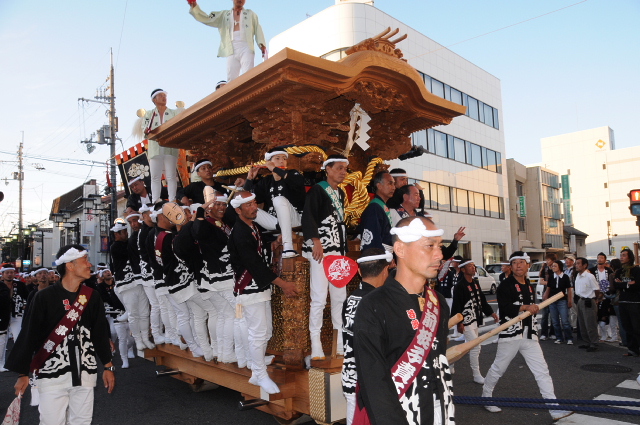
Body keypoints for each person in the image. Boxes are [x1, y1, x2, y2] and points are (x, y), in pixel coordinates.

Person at [353, 217, 453, 424]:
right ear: (400, 249)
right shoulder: (373, 306)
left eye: (440, 246)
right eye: (430, 246)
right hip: (400, 411)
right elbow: (373, 380)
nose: (439, 255)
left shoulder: (438, 301)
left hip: (441, 408)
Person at [7, 244, 115, 425]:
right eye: (85, 260)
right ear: (70, 265)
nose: (90, 265)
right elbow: (29, 334)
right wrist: (23, 373)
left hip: (85, 372)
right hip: (51, 374)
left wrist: (108, 366)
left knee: (82, 421)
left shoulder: (92, 296)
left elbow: (99, 333)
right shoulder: (43, 297)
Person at [482, 251, 572, 421]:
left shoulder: (529, 285)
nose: (518, 265)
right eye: (515, 262)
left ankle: (554, 408)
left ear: (528, 265)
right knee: (499, 368)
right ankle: (486, 397)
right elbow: (504, 308)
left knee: (542, 370)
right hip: (510, 334)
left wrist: (531, 308)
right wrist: (524, 307)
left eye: (522, 262)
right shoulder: (505, 285)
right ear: (511, 266)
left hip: (529, 334)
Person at [228, 191, 298, 394]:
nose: (254, 208)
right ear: (238, 210)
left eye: (254, 203)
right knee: (258, 333)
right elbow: (254, 265)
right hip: (249, 287)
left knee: (265, 332)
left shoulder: (251, 226)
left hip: (258, 287)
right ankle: (259, 373)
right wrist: (283, 284)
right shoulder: (240, 233)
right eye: (248, 205)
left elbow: (257, 252)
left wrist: (272, 245)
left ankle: (256, 368)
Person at [302, 155, 349, 359]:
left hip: (338, 252)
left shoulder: (340, 193)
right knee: (319, 298)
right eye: (339, 168)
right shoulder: (318, 190)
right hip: (321, 250)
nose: (343, 172)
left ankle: (339, 344)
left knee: (339, 297)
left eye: (345, 169)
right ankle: (316, 345)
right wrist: (316, 241)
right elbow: (308, 216)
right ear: (327, 169)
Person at [341, 248, 391, 425]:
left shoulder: (351, 298)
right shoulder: (377, 302)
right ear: (385, 270)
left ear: (360, 271)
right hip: (368, 382)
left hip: (350, 375)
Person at [192, 193, 241, 365]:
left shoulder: (224, 223)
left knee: (225, 315)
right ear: (209, 208)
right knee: (238, 314)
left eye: (224, 204)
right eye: (217, 204)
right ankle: (240, 354)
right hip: (221, 278)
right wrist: (201, 209)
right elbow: (197, 232)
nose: (221, 207)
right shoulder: (206, 224)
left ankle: (222, 352)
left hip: (222, 276)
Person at [243, 147, 306, 258]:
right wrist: (249, 179)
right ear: (269, 162)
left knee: (278, 199)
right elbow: (246, 198)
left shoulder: (293, 174)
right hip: (275, 223)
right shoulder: (266, 181)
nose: (282, 161)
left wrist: (275, 169)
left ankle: (288, 247)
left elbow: (298, 182)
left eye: (284, 159)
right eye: (277, 158)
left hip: (294, 221)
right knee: (247, 208)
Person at [188, 0, 267, 82]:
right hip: (231, 48)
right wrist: (194, 5)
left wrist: (262, 46)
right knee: (231, 78)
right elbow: (207, 18)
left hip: (246, 47)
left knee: (248, 74)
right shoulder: (224, 15)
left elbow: (257, 28)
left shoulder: (251, 14)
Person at [451, 259, 499, 384]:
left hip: (476, 318)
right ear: (463, 269)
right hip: (466, 320)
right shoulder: (460, 286)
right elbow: (456, 306)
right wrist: (459, 323)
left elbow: (482, 300)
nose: (473, 268)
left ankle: (450, 361)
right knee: (475, 346)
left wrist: (491, 313)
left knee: (468, 346)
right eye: (470, 266)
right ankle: (476, 375)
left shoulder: (475, 282)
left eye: (473, 266)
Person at [110, 221, 154, 351]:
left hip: (139, 281)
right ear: (117, 234)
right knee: (133, 314)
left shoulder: (129, 243)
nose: (126, 234)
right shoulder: (115, 247)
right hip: (126, 284)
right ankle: (138, 340)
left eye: (126, 231)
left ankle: (145, 338)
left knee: (144, 313)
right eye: (124, 232)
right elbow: (131, 251)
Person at [140, 89, 181, 203]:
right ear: (154, 99)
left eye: (165, 95)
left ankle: (172, 200)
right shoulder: (149, 113)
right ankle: (155, 200)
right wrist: (146, 130)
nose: (164, 97)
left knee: (171, 176)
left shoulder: (173, 112)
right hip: (155, 147)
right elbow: (144, 128)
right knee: (155, 176)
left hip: (170, 146)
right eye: (161, 96)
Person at [137, 204, 166, 345]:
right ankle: (156, 333)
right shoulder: (145, 232)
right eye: (149, 213)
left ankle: (158, 332)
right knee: (157, 305)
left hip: (150, 272)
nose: (152, 215)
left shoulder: (148, 231)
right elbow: (147, 255)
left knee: (158, 305)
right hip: (149, 273)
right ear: (144, 216)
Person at [96, 269, 135, 369]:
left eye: (108, 271)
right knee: (118, 336)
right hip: (114, 314)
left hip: (129, 315)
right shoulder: (103, 287)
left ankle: (129, 349)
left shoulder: (122, 287)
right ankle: (123, 359)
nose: (108, 273)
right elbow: (107, 299)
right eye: (105, 272)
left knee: (131, 339)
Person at [360, 171, 395, 252]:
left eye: (394, 184)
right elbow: (373, 237)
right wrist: (382, 256)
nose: (393, 187)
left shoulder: (381, 206)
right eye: (390, 183)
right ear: (379, 186)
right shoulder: (374, 208)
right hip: (380, 254)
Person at [614, 249, 640, 356]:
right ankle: (631, 349)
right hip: (623, 301)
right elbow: (616, 285)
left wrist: (623, 285)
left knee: (636, 327)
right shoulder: (619, 271)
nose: (621, 257)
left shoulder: (636, 270)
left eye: (624, 255)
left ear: (630, 257)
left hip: (634, 302)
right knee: (626, 326)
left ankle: (637, 348)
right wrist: (628, 284)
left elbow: (637, 285)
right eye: (621, 255)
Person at [544, 260, 573, 345]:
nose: (553, 267)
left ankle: (569, 338)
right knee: (555, 321)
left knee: (565, 321)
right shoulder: (551, 277)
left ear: (560, 267)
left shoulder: (565, 277)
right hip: (552, 300)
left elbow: (569, 289)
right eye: (552, 266)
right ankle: (559, 338)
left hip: (562, 300)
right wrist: (545, 297)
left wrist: (570, 300)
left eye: (555, 266)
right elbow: (548, 288)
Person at [574, 257, 600, 352]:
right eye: (576, 263)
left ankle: (594, 343)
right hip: (580, 299)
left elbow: (596, 289)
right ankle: (587, 342)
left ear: (585, 265)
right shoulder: (578, 276)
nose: (576, 265)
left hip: (588, 300)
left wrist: (594, 298)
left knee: (590, 323)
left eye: (578, 263)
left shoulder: (589, 276)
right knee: (582, 323)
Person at [2, 266, 28, 345]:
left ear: (14, 274)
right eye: (7, 273)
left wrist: (25, 305)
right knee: (2, 340)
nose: (9, 274)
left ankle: (19, 352)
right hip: (2, 315)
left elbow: (27, 297)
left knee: (18, 338)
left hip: (17, 314)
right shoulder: (1, 285)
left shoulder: (20, 285)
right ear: (2, 274)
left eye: (11, 272)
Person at [537, 253, 557, 340]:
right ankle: (544, 333)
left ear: (553, 260)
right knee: (545, 315)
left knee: (554, 315)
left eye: (549, 260)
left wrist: (549, 283)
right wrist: (550, 283)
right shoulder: (545, 269)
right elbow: (541, 281)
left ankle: (553, 332)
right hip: (545, 293)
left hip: (554, 293)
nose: (547, 261)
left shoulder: (556, 268)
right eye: (547, 260)